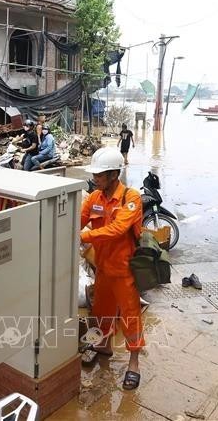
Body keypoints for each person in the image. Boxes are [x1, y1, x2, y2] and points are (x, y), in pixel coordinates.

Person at [80, 147, 144, 390]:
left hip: (124, 269)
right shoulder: (94, 199)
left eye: (100, 175)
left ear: (114, 175)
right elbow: (79, 220)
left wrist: (85, 236)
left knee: (130, 315)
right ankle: (104, 345)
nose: (95, 179)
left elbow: (117, 229)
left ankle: (134, 363)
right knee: (101, 310)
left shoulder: (131, 198)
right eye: (95, 175)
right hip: (103, 268)